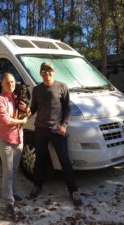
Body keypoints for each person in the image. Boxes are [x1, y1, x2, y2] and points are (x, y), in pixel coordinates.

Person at [22, 62, 82, 206]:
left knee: (65, 161)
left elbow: (67, 109)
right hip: (41, 130)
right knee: (39, 160)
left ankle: (73, 191)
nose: (47, 73)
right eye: (44, 71)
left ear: (53, 72)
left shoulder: (62, 86)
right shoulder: (37, 89)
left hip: (57, 130)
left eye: (49, 71)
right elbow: (34, 108)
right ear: (40, 73)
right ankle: (37, 186)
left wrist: (64, 126)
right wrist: (26, 111)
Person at [0, 72, 28, 220]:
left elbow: (27, 112)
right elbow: (6, 120)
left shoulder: (16, 98)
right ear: (1, 83)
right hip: (6, 140)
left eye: (13, 82)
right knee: (8, 171)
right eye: (7, 82)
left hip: (19, 139)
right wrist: (22, 121)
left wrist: (26, 110)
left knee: (14, 169)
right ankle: (9, 202)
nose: (10, 85)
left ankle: (11, 192)